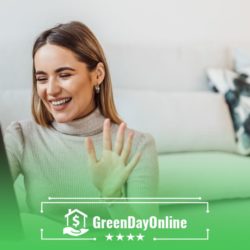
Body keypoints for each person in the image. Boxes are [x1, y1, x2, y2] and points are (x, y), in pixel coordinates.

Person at [4, 21, 159, 222]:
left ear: (98, 75)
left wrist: (113, 198)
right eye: (42, 78)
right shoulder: (21, 137)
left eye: (64, 75)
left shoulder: (138, 145)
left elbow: (146, 241)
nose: (50, 90)